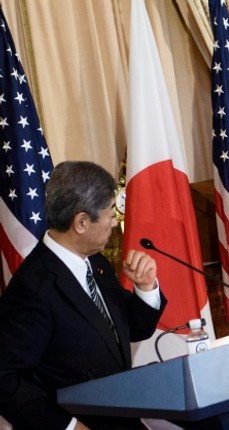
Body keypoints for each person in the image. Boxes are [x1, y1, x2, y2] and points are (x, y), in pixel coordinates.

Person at [0, 160, 167, 430]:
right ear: (81, 222)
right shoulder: (33, 287)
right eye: (111, 213)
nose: (115, 222)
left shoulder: (96, 264)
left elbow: (132, 329)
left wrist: (146, 287)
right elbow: (5, 377)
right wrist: (67, 426)